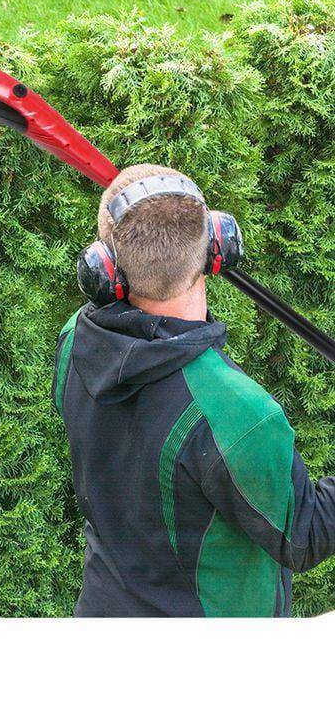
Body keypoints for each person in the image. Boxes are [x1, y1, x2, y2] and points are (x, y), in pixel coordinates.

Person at [53, 162, 335, 616]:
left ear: (103, 269)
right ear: (218, 247)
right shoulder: (236, 412)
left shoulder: (76, 340)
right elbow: (304, 534)